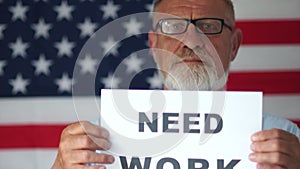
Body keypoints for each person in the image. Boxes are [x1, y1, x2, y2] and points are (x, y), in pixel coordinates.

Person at [51, 0, 300, 168]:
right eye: (172, 27)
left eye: (209, 26)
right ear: (153, 43)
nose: (191, 41)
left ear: (233, 45)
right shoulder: (99, 140)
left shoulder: (286, 141)